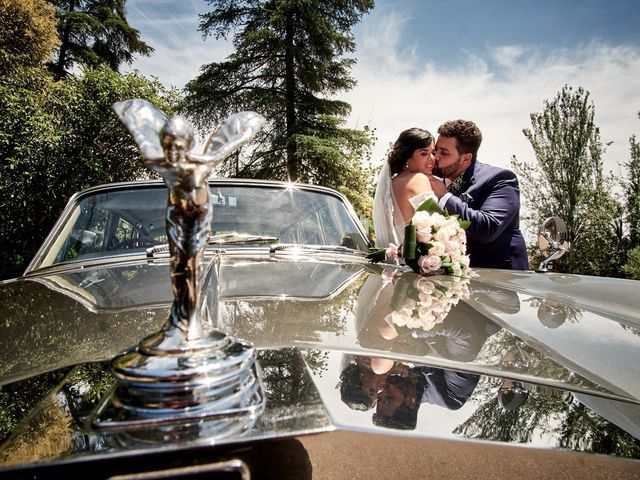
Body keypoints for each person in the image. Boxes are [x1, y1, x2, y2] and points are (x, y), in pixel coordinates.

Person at [430, 120, 529, 270]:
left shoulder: (500, 178)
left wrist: (444, 197)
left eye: (444, 152)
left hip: (499, 280)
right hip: (455, 281)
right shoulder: (433, 177)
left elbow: (487, 227)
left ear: (466, 158)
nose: (436, 156)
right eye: (436, 150)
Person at [372, 128, 438, 247]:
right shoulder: (419, 179)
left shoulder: (390, 185)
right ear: (407, 156)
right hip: (419, 260)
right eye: (424, 153)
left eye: (433, 152)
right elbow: (435, 227)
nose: (432, 158)